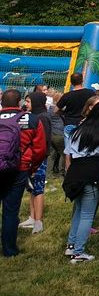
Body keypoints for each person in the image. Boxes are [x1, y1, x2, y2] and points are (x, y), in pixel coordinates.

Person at [62, 99, 99, 263]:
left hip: (75, 173)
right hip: (92, 175)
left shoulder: (77, 130)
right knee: (87, 215)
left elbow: (68, 156)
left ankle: (71, 245)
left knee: (78, 210)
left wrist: (70, 173)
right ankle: (79, 252)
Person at [0, 88, 47, 256]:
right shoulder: (31, 120)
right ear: (19, 102)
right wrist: (31, 168)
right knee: (11, 210)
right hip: (19, 169)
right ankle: (9, 249)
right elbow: (40, 149)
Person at [17, 90, 51, 235]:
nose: (26, 104)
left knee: (38, 189)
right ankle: (32, 217)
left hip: (39, 159)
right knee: (31, 189)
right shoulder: (34, 116)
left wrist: (37, 161)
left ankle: (38, 221)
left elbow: (43, 142)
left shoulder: (41, 118)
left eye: (29, 101)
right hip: (32, 159)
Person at [57, 73, 95, 171]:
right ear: (82, 80)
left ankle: (69, 172)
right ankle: (85, 169)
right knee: (86, 147)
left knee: (68, 150)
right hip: (85, 123)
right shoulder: (90, 93)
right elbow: (96, 105)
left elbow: (56, 110)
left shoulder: (67, 96)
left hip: (70, 123)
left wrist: (64, 112)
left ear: (71, 82)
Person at [47, 91, 66, 175]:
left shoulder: (49, 109)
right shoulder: (60, 110)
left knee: (52, 154)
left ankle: (49, 172)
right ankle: (61, 171)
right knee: (64, 153)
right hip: (59, 134)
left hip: (51, 134)